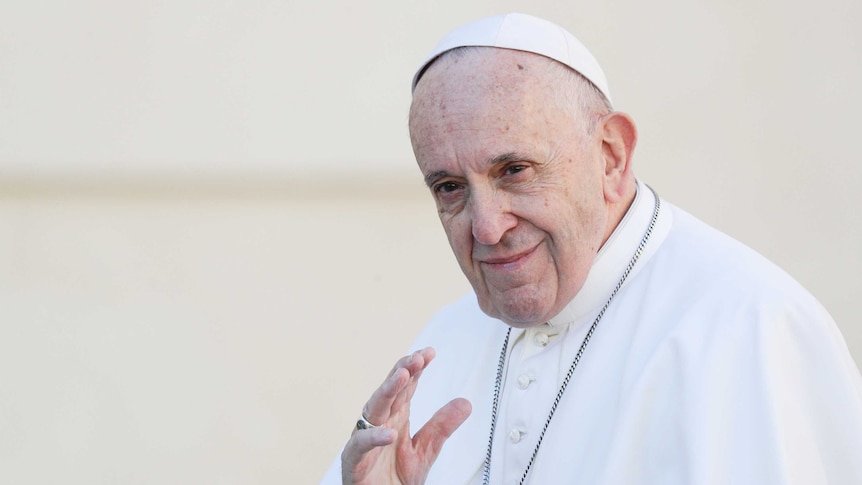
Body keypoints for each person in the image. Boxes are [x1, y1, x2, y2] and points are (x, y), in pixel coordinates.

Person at [321, 12, 862, 485]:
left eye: (514, 171)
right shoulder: (446, 342)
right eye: (450, 188)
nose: (486, 228)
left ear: (610, 156)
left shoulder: (748, 327)